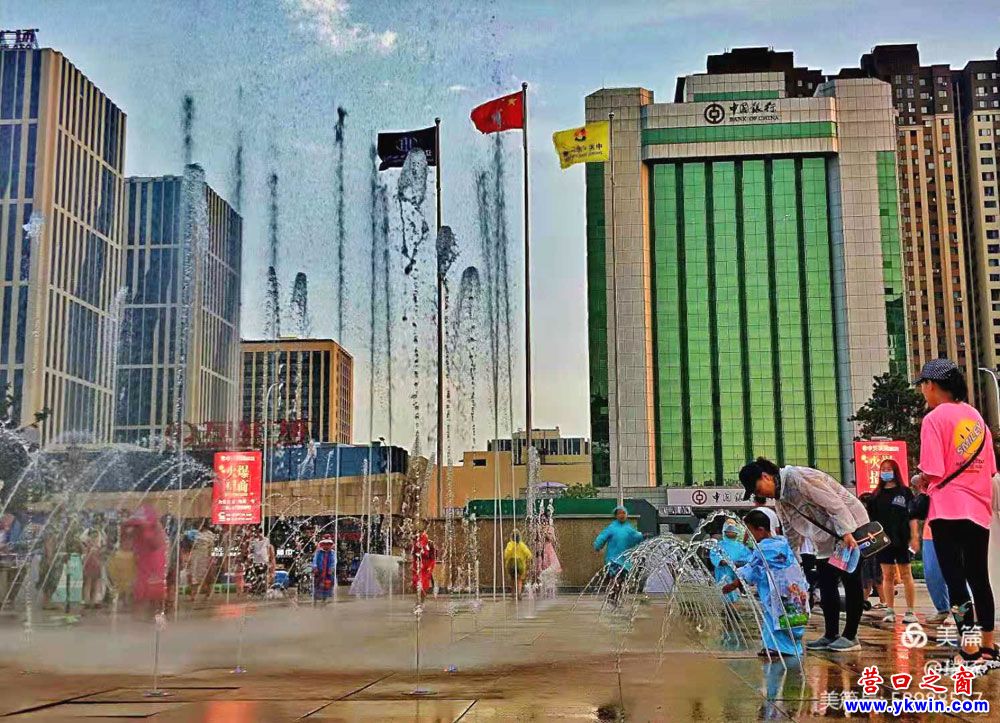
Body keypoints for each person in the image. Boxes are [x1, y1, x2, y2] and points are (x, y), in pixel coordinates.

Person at [913, 358, 998, 669]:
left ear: (931, 385)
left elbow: (933, 470)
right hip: (978, 509)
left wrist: (919, 480)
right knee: (979, 577)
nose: (923, 391)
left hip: (947, 510)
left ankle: (969, 647)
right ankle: (988, 645)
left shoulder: (934, 419)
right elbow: (990, 469)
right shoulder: (976, 418)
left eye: (923, 385)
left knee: (955, 579)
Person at [739, 457, 868, 653]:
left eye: (757, 489)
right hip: (827, 536)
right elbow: (790, 529)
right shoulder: (781, 498)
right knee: (826, 582)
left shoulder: (798, 477)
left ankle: (851, 636)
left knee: (851, 580)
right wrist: (790, 559)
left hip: (850, 527)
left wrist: (847, 533)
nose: (759, 494)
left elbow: (833, 504)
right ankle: (831, 634)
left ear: (766, 476)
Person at [721, 510, 807, 657]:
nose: (749, 536)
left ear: (760, 530)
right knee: (792, 617)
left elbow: (752, 569)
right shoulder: (782, 543)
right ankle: (792, 648)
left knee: (775, 618)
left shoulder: (765, 548)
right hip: (794, 589)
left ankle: (777, 648)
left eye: (750, 531)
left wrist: (734, 585)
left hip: (777, 593)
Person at [868, 459, 919, 624]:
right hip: (884, 541)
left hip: (902, 539)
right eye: (883, 469)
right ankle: (890, 610)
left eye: (889, 469)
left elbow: (912, 517)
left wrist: (914, 536)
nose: (885, 472)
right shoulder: (876, 495)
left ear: (895, 471)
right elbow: (871, 521)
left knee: (906, 574)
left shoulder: (905, 492)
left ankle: (910, 611)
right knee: (887, 575)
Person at [121, 505, 167, 617]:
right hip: (142, 563)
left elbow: (157, 544)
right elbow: (125, 545)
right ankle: (142, 615)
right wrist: (126, 531)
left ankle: (153, 614)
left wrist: (146, 530)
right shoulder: (136, 528)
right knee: (141, 590)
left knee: (153, 590)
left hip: (154, 563)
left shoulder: (155, 528)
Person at [593, 505, 644, 605]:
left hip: (625, 560)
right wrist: (597, 545)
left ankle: (615, 597)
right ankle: (613, 597)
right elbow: (602, 537)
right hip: (613, 559)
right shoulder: (612, 528)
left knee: (621, 580)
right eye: (619, 513)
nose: (622, 515)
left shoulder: (629, 528)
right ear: (616, 515)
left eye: (623, 513)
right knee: (615, 577)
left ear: (626, 515)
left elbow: (636, 537)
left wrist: (642, 536)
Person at [709, 518, 752, 603]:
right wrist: (721, 561)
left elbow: (748, 557)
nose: (730, 532)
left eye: (732, 531)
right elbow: (713, 554)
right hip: (723, 571)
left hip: (736, 572)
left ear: (737, 533)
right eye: (728, 531)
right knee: (725, 591)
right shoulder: (719, 545)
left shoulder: (741, 546)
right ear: (724, 532)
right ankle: (728, 607)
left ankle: (732, 606)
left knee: (734, 591)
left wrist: (739, 563)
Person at [80, 516, 107, 609]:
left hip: (96, 561)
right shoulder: (88, 532)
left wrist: (100, 552)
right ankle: (87, 600)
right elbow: (81, 542)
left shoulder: (101, 533)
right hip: (90, 560)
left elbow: (104, 545)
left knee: (96, 581)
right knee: (89, 581)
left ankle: (94, 600)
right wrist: (85, 552)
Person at [188, 523, 217, 601]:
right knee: (194, 575)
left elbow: (211, 547)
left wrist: (210, 558)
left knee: (205, 576)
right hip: (195, 556)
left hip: (204, 556)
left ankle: (207, 593)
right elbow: (191, 546)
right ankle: (193, 594)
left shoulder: (209, 534)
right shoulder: (194, 533)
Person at [503, 530, 532, 600]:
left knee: (512, 578)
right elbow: (529, 554)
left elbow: (506, 554)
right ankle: (519, 592)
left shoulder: (510, 544)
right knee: (519, 579)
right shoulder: (522, 545)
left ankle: (513, 593)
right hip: (520, 564)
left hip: (511, 564)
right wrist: (528, 560)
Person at [411, 523, 436, 602]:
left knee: (424, 582)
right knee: (416, 581)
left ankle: (422, 599)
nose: (420, 533)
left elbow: (433, 558)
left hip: (426, 565)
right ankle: (419, 598)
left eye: (421, 532)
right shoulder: (416, 542)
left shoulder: (430, 543)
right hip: (418, 565)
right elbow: (414, 554)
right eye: (419, 532)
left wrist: (430, 566)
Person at [312, 536, 336, 603]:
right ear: (322, 545)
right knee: (317, 584)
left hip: (328, 572)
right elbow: (315, 560)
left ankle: (324, 598)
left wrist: (331, 568)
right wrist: (315, 567)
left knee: (327, 585)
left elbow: (334, 561)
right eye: (325, 544)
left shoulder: (332, 552)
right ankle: (315, 599)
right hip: (319, 571)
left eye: (328, 544)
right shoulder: (318, 552)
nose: (326, 546)